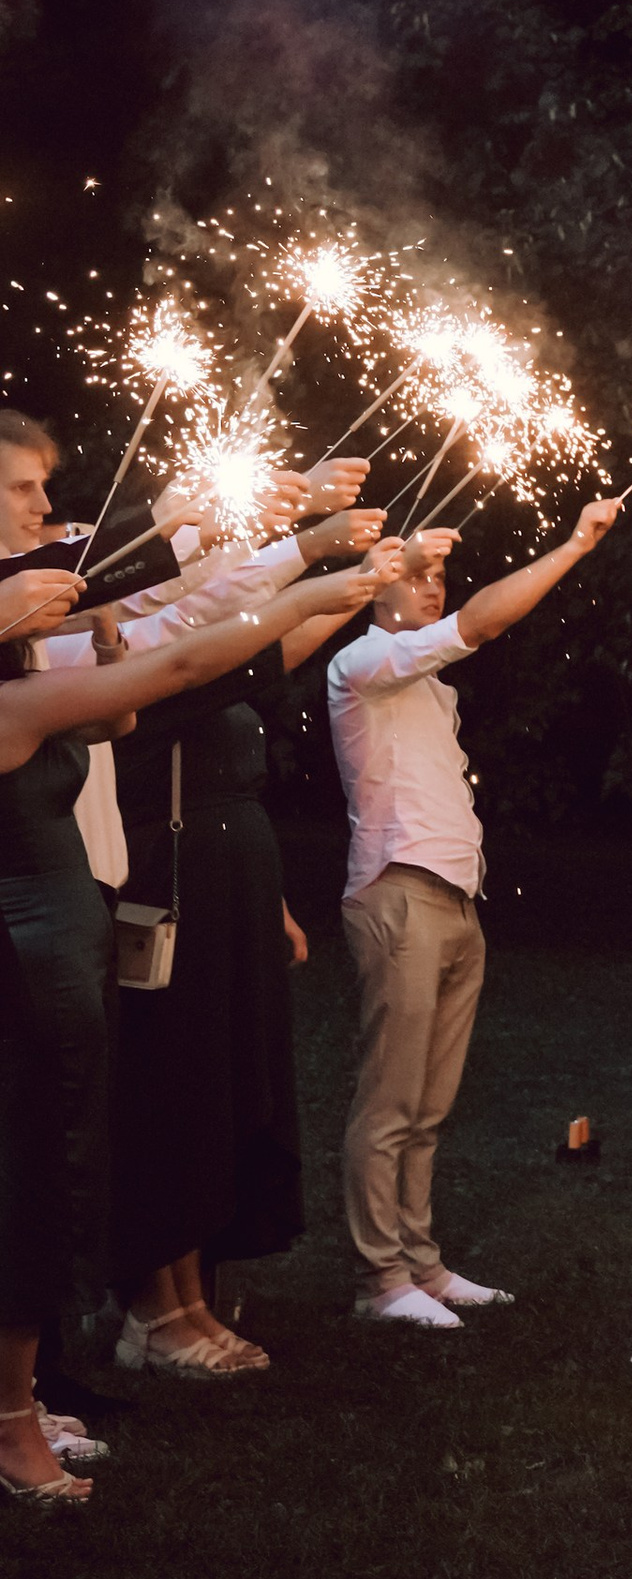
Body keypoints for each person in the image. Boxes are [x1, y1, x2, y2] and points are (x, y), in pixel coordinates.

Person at [0, 517, 392, 1504]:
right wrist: (301, 577)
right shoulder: (17, 698)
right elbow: (170, 672)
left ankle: (38, 1388)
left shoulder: (42, 675)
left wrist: (291, 572)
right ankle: (34, 1401)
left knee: (59, 1164)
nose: (45, 520)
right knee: (44, 1169)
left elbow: (168, 644)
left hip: (70, 927)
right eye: (23, 497)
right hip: (42, 934)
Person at [108, 467, 388, 1376]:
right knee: (174, 1079)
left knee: (224, 1077)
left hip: (229, 873)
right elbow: (223, 632)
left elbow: (267, 639)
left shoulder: (207, 658)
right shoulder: (142, 664)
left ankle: (194, 1292)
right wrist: (306, 553)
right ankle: (155, 1307)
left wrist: (351, 584)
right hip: (170, 876)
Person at [326, 500, 621, 1330]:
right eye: (416, 577)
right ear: (376, 586)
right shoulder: (363, 660)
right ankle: (379, 1279)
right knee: (389, 1101)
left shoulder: (428, 691)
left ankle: (421, 1263)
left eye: (438, 578)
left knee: (429, 1102)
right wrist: (572, 545)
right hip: (399, 893)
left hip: (456, 902)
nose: (433, 589)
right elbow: (482, 622)